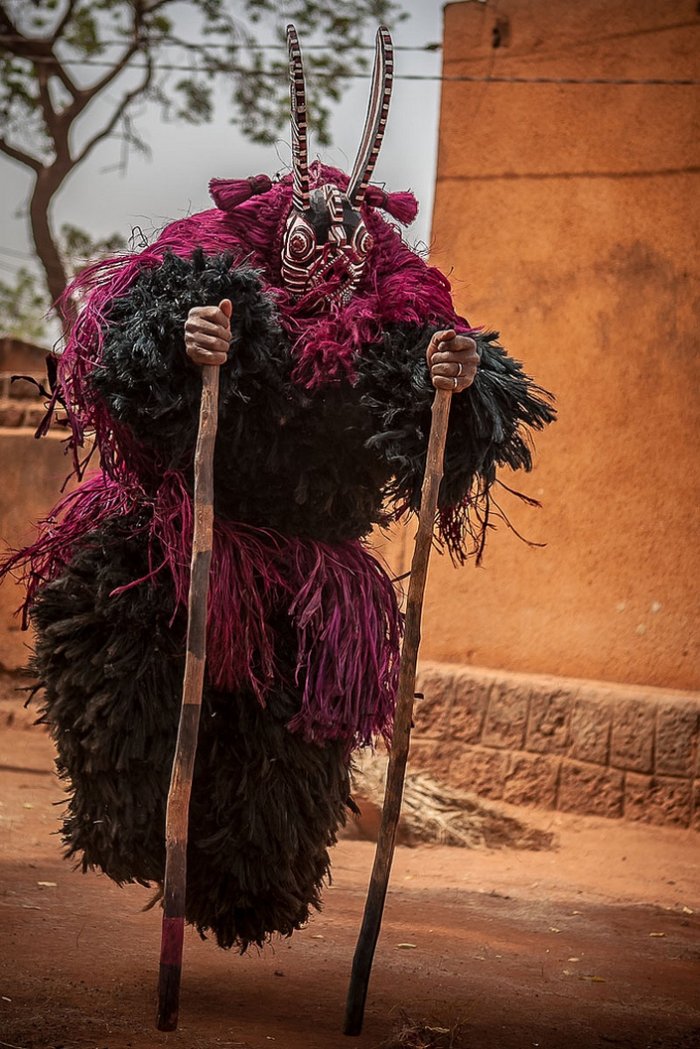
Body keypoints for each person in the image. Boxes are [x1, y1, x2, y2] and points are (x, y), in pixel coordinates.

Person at [2, 27, 554, 952]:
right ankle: (136, 825)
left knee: (291, 744)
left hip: (313, 574)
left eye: (343, 248)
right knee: (120, 651)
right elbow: (122, 349)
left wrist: (453, 380)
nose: (322, 263)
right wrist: (182, 346)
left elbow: (452, 424)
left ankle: (251, 879)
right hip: (178, 536)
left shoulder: (403, 303)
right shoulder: (209, 259)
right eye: (307, 240)